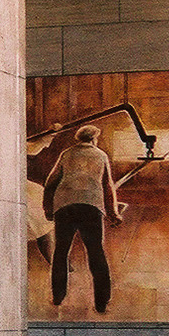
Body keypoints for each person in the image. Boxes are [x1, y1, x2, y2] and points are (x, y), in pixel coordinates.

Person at [41, 124, 123, 313]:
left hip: (65, 207)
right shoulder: (101, 155)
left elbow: (50, 183)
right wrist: (113, 213)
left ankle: (58, 297)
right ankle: (102, 301)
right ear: (94, 138)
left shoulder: (66, 154)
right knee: (96, 253)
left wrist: (48, 208)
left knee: (61, 253)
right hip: (91, 207)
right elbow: (107, 186)